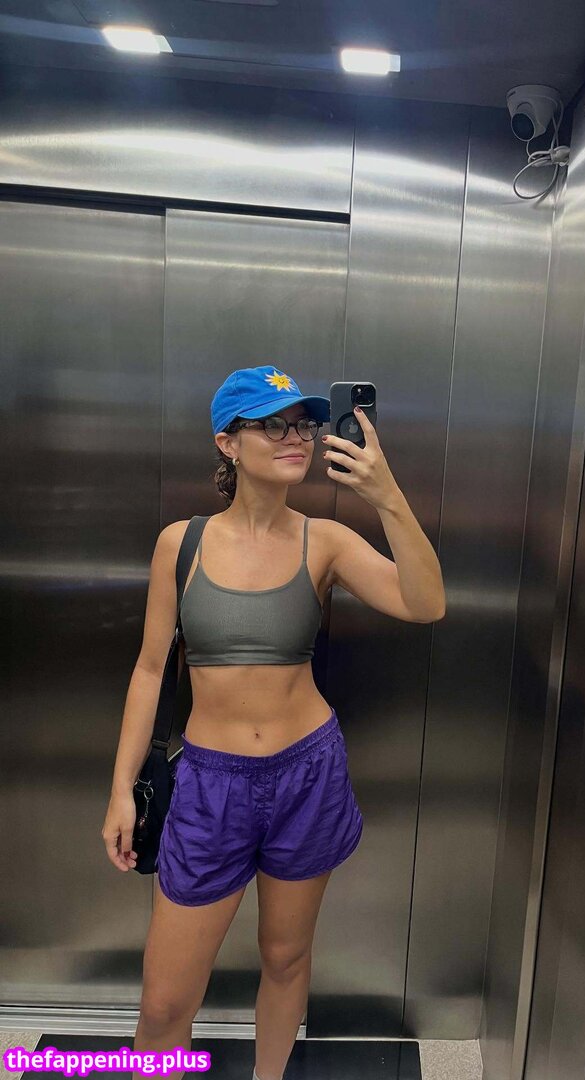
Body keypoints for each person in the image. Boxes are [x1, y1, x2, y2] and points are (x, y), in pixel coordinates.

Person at [101, 365, 446, 1080]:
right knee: (164, 1003)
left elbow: (425, 603)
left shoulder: (325, 541)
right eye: (272, 425)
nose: (297, 438)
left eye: (304, 425)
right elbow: (150, 670)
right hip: (209, 787)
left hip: (307, 775)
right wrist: (120, 789)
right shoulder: (181, 544)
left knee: (286, 959)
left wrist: (387, 496)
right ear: (227, 442)